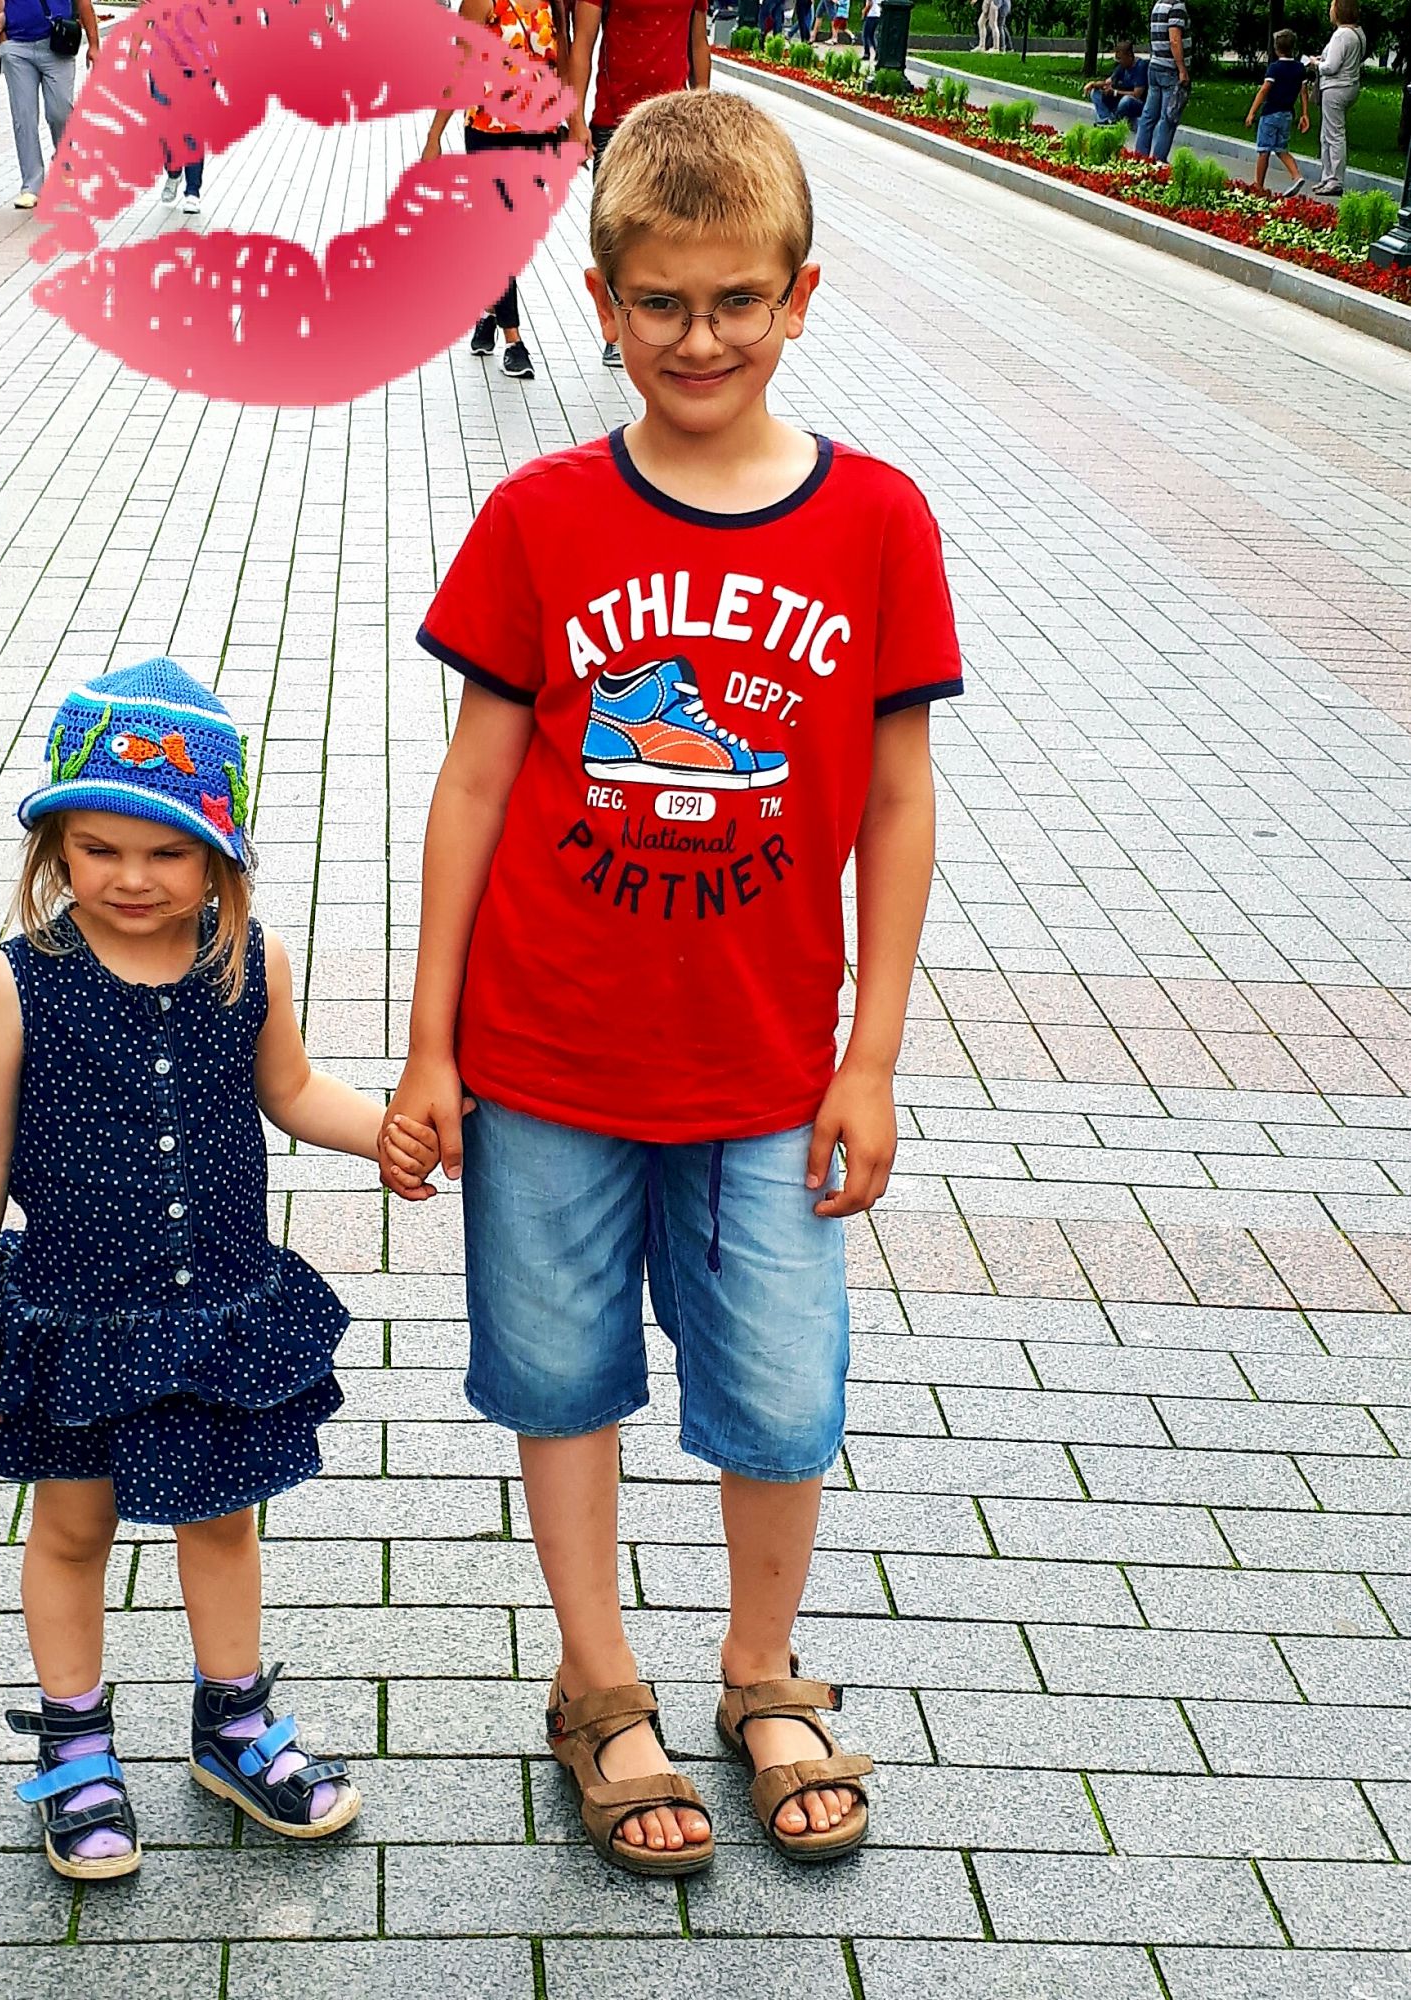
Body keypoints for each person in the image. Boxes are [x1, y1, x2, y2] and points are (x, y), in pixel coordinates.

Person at [391, 91, 961, 1876]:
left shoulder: (876, 521)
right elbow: (473, 785)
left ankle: (759, 1673)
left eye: (735, 302)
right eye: (660, 303)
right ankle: (598, 1685)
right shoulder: (539, 517)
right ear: (600, 299)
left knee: (781, 1392)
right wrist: (427, 1045)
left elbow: (895, 801)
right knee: (560, 1376)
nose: (698, 338)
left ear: (799, 297)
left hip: (768, 1070)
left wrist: (870, 1057)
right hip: (545, 1056)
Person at [0, 657, 436, 1879]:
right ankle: (74, 1743)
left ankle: (234, 1722)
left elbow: (292, 1088)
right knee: (73, 1524)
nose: (131, 876)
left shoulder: (246, 959)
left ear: (219, 854)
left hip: (215, 1309)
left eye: (167, 851)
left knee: (220, 1519)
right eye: (98, 847)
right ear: (55, 846)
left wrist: (384, 1129)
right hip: (73, 1313)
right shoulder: (18, 979)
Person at [423, 0, 569, 381]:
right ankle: (513, 341)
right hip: (489, 132)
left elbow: (563, 64)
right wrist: (435, 135)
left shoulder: (552, 3)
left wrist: (572, 121)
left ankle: (488, 313)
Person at [562, 0, 711, 365]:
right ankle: (619, 327)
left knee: (675, 231)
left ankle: (668, 322)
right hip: (615, 124)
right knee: (618, 234)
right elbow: (583, 44)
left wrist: (704, 109)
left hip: (676, 124)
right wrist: (575, 121)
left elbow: (698, 43)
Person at [0, 0, 99, 209]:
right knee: (24, 117)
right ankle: (31, 186)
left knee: (60, 111)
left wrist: (94, 45)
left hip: (57, 43)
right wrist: (2, 41)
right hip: (17, 47)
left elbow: (84, 3)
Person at [1309, 0, 1366, 195]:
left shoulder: (1341, 34)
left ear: (1339, 11)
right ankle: (1327, 177)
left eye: (1332, 7)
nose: (1330, 11)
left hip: (1335, 88)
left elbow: (1331, 67)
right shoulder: (1358, 33)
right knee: (1327, 133)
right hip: (1349, 86)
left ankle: (1334, 180)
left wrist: (1316, 64)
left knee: (1333, 135)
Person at [1245, 28, 1309, 194]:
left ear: (1276, 49)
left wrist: (1252, 112)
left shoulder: (1275, 68)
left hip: (1271, 113)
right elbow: (1303, 92)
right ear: (1293, 47)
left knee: (1264, 150)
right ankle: (1296, 175)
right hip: (1287, 114)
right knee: (1281, 149)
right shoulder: (1299, 68)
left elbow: (1264, 89)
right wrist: (1304, 114)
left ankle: (1258, 186)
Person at [1133, 0, 1189, 161]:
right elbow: (1174, 40)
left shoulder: (1158, 5)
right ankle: (1158, 161)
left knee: (1148, 116)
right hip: (1170, 69)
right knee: (1168, 118)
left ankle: (1140, 157)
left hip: (1155, 65)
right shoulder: (1176, 6)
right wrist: (1182, 69)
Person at [1085, 40, 1148, 127]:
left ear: (1129, 55)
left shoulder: (1140, 67)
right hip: (1120, 100)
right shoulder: (1122, 67)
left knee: (1126, 100)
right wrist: (1093, 84)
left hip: (1136, 103)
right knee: (1095, 93)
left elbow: (1137, 94)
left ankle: (1114, 119)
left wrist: (1115, 92)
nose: (1119, 61)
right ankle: (1105, 119)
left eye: (1120, 58)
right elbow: (1107, 82)